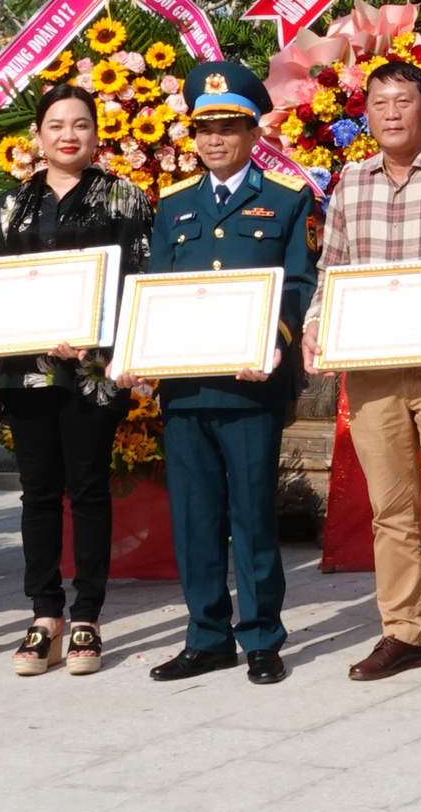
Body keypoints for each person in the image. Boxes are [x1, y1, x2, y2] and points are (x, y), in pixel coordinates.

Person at [298, 58, 421, 687]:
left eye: (403, 102)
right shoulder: (350, 183)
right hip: (375, 373)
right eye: (379, 103)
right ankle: (402, 631)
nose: (390, 113)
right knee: (390, 509)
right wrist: (313, 326)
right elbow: (332, 271)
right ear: (366, 112)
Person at [124, 59, 318, 686]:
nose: (214, 140)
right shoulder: (174, 205)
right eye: (204, 128)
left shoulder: (287, 201)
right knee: (195, 517)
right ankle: (206, 636)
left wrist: (272, 341)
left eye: (228, 127)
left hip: (250, 384)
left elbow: (297, 284)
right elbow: (156, 289)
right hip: (185, 388)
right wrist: (138, 354)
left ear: (253, 132)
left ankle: (262, 636)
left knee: (253, 516)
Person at [0, 84, 152, 678]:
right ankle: (44, 612)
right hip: (24, 370)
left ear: (96, 134)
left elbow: (140, 277)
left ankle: (88, 615)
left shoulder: (124, 198)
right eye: (56, 125)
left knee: (88, 489)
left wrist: (102, 337)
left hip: (91, 371)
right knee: (37, 493)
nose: (68, 135)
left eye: (80, 124)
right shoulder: (8, 206)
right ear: (38, 135)